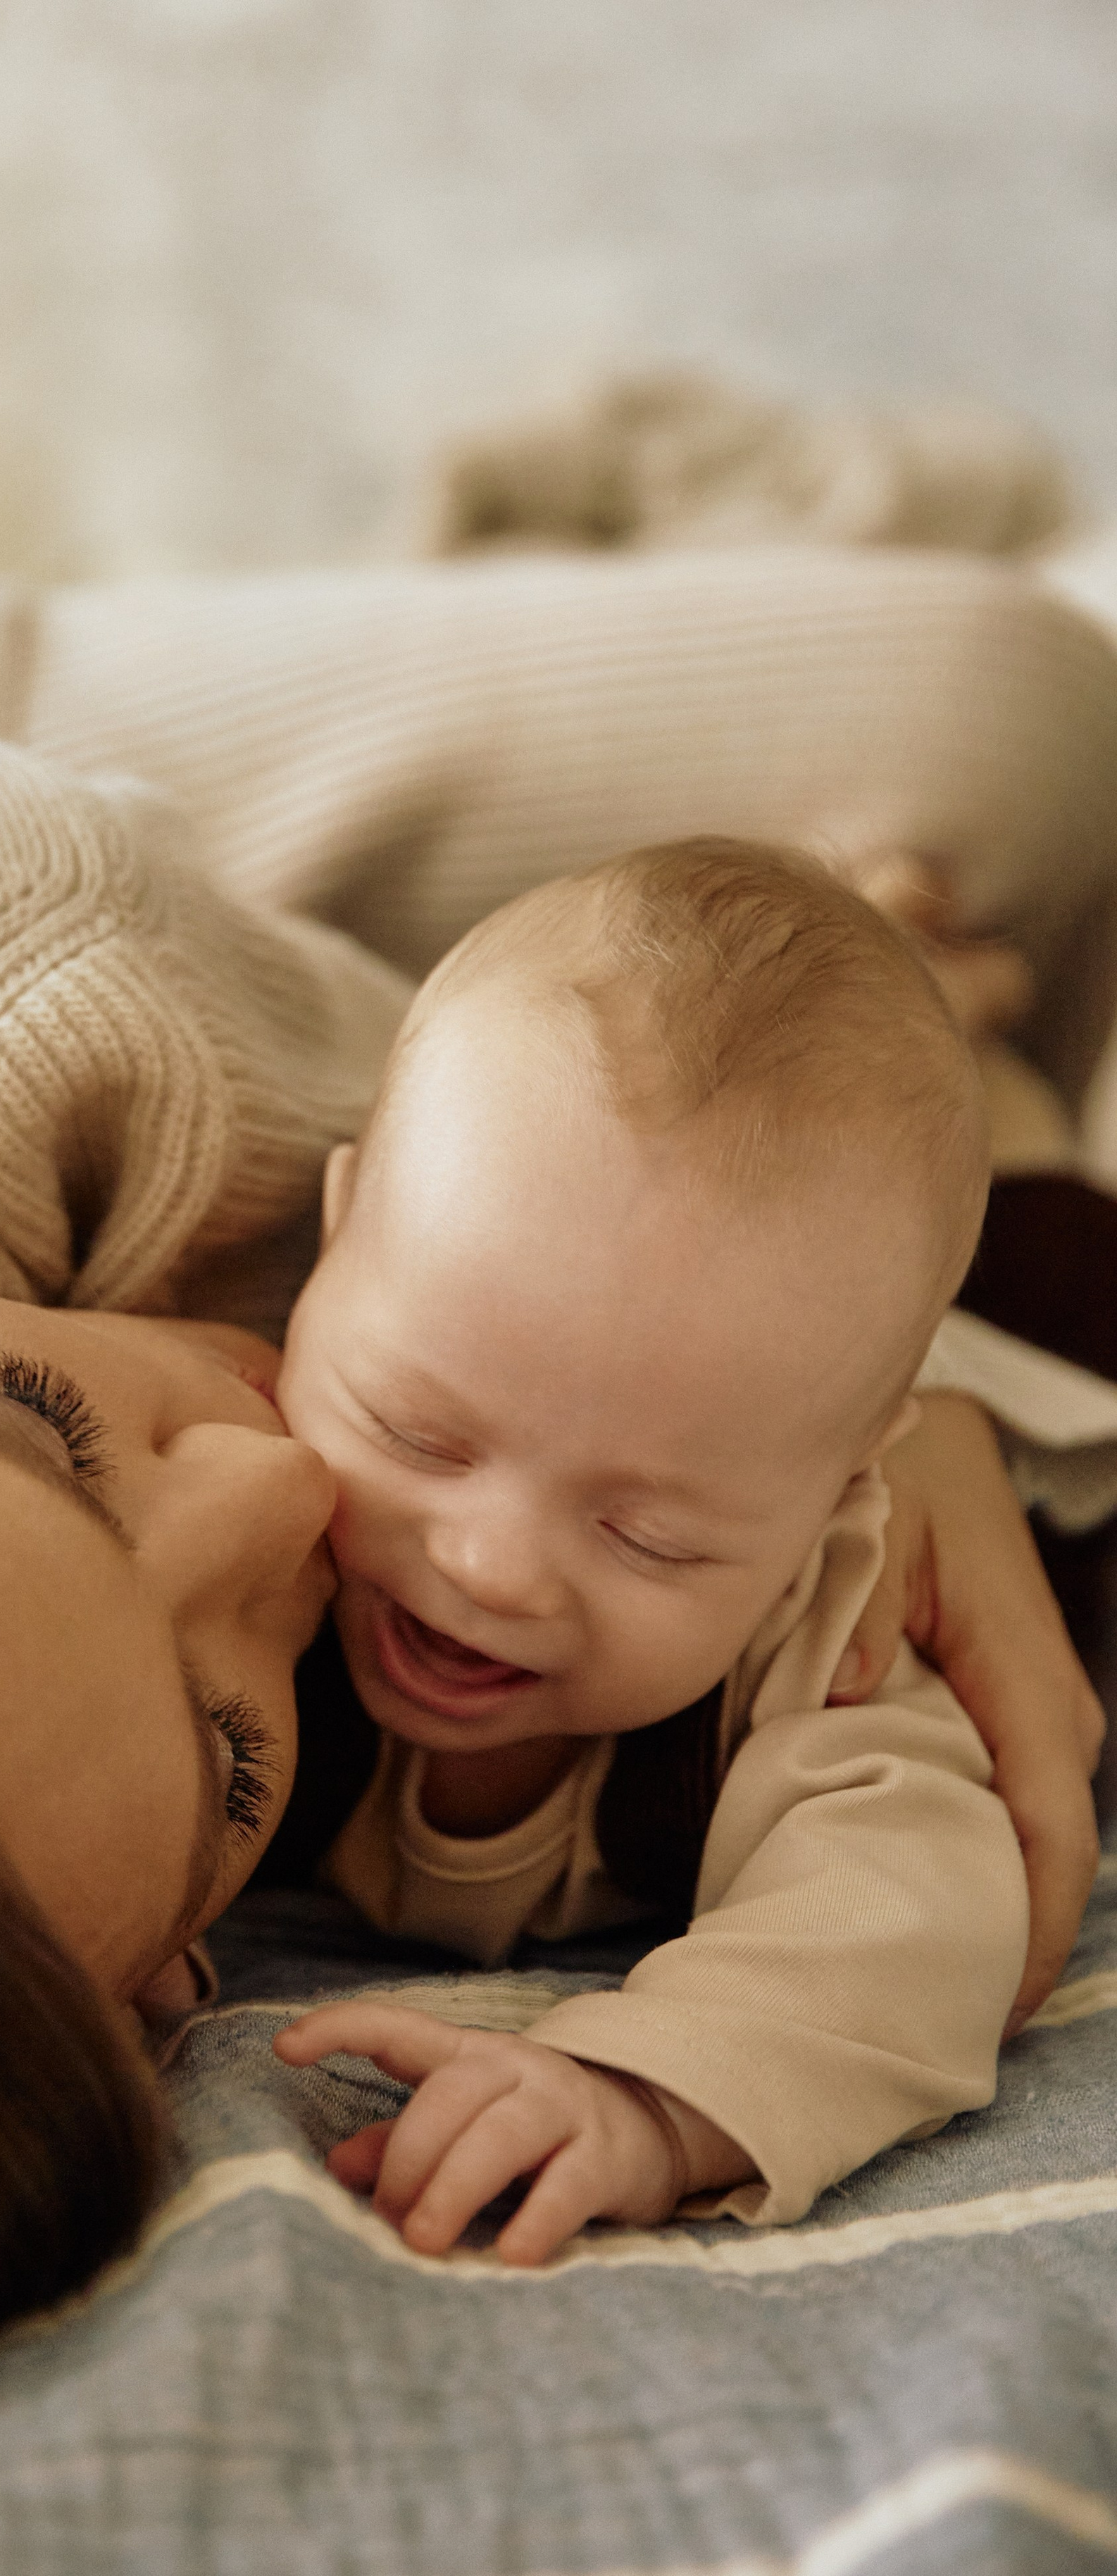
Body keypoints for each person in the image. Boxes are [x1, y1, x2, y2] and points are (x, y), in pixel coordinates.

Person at [0, 549, 1108, 2532]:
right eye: (230, 1751)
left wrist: (895, 1392)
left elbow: (551, 1180)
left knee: (1002, 715)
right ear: (154, 1980)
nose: (289, 1497)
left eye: (37, 1422)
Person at [271, 839, 1022, 2260]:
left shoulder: (817, 1634)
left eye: (647, 1536)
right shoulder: (232, 1511)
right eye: (418, 1434)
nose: (490, 1565)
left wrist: (644, 2096)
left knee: (1055, 1246)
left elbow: (916, 1910)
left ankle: (974, 1023)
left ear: (835, 1494)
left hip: (1044, 1337)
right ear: (330, 1243)